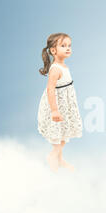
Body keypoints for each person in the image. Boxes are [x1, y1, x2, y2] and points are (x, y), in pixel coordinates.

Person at [37, 33, 83, 172]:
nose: (68, 48)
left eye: (69, 45)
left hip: (65, 105)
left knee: (64, 131)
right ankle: (53, 156)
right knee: (58, 133)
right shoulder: (56, 69)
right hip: (57, 105)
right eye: (63, 46)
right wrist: (54, 110)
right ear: (53, 50)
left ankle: (60, 159)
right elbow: (50, 89)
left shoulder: (63, 66)